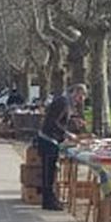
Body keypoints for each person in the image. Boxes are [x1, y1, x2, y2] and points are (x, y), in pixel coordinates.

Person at [35, 83, 87, 211]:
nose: (80, 102)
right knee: (48, 172)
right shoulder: (63, 102)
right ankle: (47, 201)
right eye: (80, 98)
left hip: (52, 140)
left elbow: (62, 119)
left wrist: (74, 121)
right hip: (48, 140)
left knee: (51, 171)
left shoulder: (66, 103)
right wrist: (68, 134)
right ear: (75, 93)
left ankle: (50, 199)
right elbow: (54, 122)